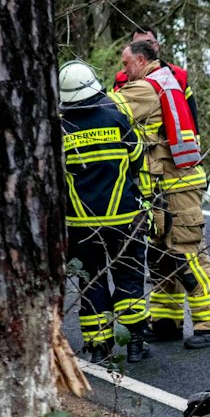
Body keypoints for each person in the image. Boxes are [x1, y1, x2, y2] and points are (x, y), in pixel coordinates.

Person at [116, 37, 210, 348]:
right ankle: (167, 320)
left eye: (126, 64)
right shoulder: (162, 81)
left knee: (186, 251)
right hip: (162, 186)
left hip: (176, 184)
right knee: (161, 253)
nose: (123, 70)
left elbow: (109, 111)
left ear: (140, 61)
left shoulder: (145, 88)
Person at [58, 60, 151, 364]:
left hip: (80, 224)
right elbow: (137, 158)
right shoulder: (116, 117)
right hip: (124, 219)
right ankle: (136, 344)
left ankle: (99, 348)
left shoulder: (60, 127)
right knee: (129, 278)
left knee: (91, 282)